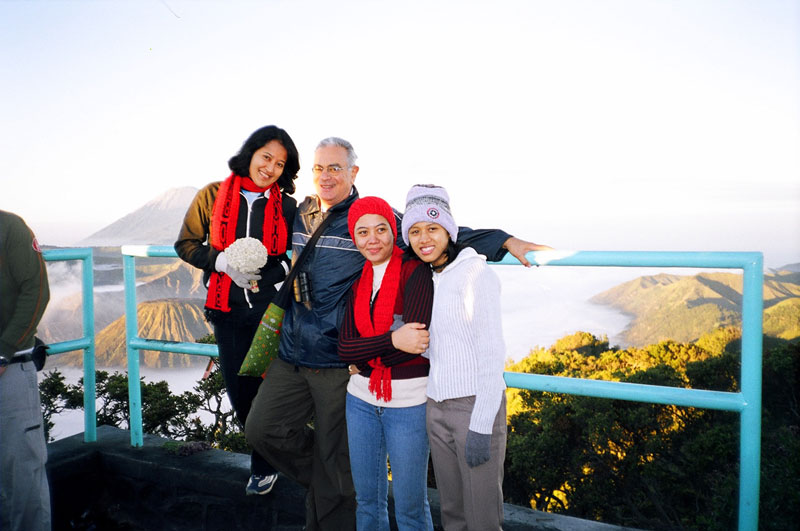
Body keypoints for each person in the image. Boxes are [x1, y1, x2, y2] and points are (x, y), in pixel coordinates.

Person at [245, 136, 549, 530]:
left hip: (339, 360)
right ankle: (332, 481)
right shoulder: (299, 213)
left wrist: (503, 240)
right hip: (293, 349)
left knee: (364, 480)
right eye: (320, 168)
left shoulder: (373, 215)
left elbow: (435, 230)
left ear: (354, 172)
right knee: (262, 429)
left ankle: (334, 486)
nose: (327, 176)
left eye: (336, 167)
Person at [174, 125, 299, 495]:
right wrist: (223, 263)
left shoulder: (287, 206)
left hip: (269, 311)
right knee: (239, 392)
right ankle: (270, 455)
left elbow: (289, 257)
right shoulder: (212, 196)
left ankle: (265, 465)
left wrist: (265, 274)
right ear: (251, 153)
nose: (271, 168)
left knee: (270, 389)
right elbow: (186, 244)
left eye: (280, 163)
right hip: (226, 310)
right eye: (266, 157)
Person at [404, 184, 509, 530]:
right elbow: (443, 345)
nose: (424, 239)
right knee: (452, 514)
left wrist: (480, 427)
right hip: (436, 406)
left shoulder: (476, 275)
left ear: (449, 230)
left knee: (482, 519)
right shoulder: (426, 279)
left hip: (474, 408)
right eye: (415, 231)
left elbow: (493, 357)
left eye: (432, 228)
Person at [337, 196, 434, 531]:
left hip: (409, 403)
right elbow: (345, 349)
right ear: (355, 238)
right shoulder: (358, 281)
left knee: (410, 509)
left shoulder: (415, 272)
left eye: (381, 229)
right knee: (367, 503)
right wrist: (393, 339)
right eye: (363, 232)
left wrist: (365, 355)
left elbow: (416, 344)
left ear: (394, 232)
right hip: (360, 400)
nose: (372, 238)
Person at [0, 210, 51, 531]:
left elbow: (37, 292)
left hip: (11, 368)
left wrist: (3, 352)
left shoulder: (9, 228)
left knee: (22, 477)